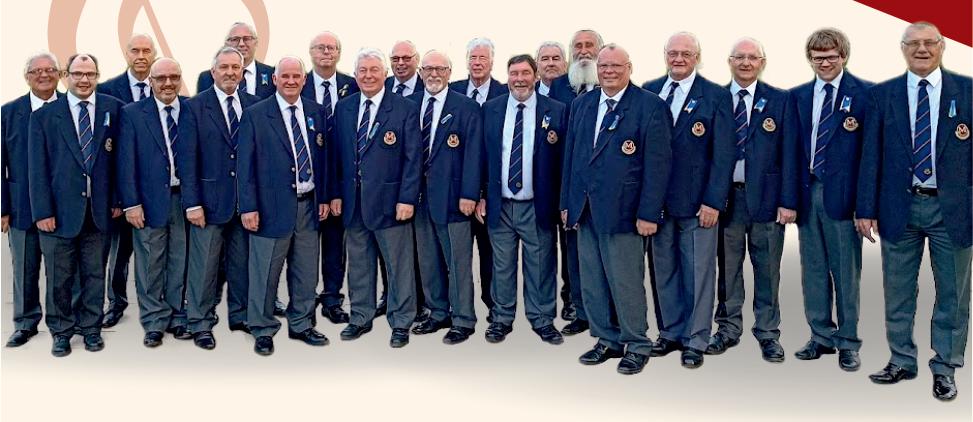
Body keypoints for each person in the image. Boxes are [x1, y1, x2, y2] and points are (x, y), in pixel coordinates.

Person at [857, 21, 971, 401]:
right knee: (898, 290)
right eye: (913, 44)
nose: (921, 49)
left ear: (942, 47)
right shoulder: (882, 95)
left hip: (952, 209)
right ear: (902, 49)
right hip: (898, 208)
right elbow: (870, 156)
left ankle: (946, 367)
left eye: (929, 43)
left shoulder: (968, 91)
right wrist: (865, 208)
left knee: (953, 293)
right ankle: (902, 359)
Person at [561, 44, 671, 375]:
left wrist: (649, 213)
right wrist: (567, 203)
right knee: (592, 283)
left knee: (625, 283)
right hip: (585, 211)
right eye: (604, 66)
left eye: (616, 66)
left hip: (625, 213)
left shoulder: (650, 106)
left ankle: (636, 343)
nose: (609, 71)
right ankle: (606, 340)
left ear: (630, 68)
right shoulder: (582, 105)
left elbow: (658, 166)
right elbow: (572, 158)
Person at [642, 32, 736, 369]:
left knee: (698, 274)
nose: (678, 59)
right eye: (673, 53)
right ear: (664, 55)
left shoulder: (715, 95)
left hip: (698, 204)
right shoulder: (649, 90)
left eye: (686, 53)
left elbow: (724, 154)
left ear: (697, 57)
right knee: (663, 270)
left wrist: (714, 201)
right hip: (657, 203)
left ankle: (696, 339)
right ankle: (670, 332)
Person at [786, 28, 871, 372]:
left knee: (845, 272)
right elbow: (790, 152)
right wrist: (789, 198)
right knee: (814, 269)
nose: (824, 63)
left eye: (831, 57)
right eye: (817, 57)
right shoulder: (797, 97)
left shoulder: (866, 94)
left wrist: (865, 206)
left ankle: (848, 341)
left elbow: (870, 158)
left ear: (844, 56)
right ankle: (820, 335)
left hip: (845, 199)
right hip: (808, 193)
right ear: (810, 59)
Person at [28, 54, 124, 357]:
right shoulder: (44, 116)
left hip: (99, 212)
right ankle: (61, 332)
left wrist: (118, 200)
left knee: (95, 274)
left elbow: (120, 161)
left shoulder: (113, 109)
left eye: (90, 74)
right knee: (59, 278)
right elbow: (37, 169)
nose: (84, 80)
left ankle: (91, 329)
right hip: (58, 214)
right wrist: (43, 211)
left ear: (97, 76)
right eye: (78, 74)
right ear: (66, 76)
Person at [708, 37, 795, 363]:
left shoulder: (780, 100)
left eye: (752, 57)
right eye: (739, 57)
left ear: (762, 62)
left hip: (768, 202)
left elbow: (790, 155)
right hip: (727, 200)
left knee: (767, 269)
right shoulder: (715, 98)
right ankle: (728, 328)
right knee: (728, 269)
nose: (746, 63)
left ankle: (768, 333)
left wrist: (788, 201)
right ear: (729, 62)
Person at [237, 56, 331, 356]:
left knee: (306, 272)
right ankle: (262, 327)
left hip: (308, 207)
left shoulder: (316, 111)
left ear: (304, 80)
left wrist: (324, 197)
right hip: (269, 208)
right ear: (275, 80)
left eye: (296, 76)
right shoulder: (256, 114)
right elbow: (245, 166)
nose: (291, 81)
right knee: (265, 273)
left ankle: (302, 323)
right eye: (285, 76)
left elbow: (323, 159)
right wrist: (248, 207)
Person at [332, 48, 421, 348]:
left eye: (374, 70)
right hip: (354, 203)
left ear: (385, 74)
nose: (368, 76)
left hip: (391, 204)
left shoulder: (405, 108)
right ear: (355, 74)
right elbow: (336, 156)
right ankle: (360, 317)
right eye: (363, 71)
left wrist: (407, 199)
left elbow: (413, 159)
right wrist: (335, 194)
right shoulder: (344, 108)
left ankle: (401, 321)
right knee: (359, 265)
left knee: (398, 267)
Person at [479, 54, 564, 345]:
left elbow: (563, 162)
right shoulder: (491, 109)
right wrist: (480, 195)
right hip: (500, 204)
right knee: (501, 266)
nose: (519, 79)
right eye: (514, 73)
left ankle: (542, 320)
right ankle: (501, 319)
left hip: (537, 204)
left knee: (540, 265)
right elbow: (482, 157)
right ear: (507, 77)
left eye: (525, 73)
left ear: (535, 76)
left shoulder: (556, 110)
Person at [179, 47, 260, 349]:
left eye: (235, 68)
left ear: (242, 72)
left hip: (245, 203)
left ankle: (240, 315)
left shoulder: (254, 105)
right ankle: (199, 321)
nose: (229, 72)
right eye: (223, 67)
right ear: (213, 72)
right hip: (208, 204)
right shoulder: (194, 107)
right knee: (204, 267)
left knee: (242, 264)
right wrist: (192, 203)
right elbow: (187, 160)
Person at [407, 50, 482, 344]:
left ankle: (463, 319)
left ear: (450, 72)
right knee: (428, 260)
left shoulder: (466, 107)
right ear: (420, 72)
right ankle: (438, 312)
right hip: (418, 198)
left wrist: (470, 194)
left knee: (458, 263)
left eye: (440, 68)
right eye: (428, 69)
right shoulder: (410, 104)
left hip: (453, 199)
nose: (434, 74)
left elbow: (474, 155)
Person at [117, 57, 193, 347]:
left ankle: (176, 315)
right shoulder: (133, 114)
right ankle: (153, 321)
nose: (168, 83)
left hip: (184, 200)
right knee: (150, 262)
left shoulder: (192, 109)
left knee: (179, 260)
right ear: (150, 82)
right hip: (148, 202)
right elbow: (126, 163)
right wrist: (131, 203)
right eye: (161, 78)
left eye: (174, 77)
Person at [547, 29, 606, 336]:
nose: (584, 51)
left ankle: (607, 314)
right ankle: (580, 309)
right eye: (578, 46)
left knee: (606, 256)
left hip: (606, 189)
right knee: (574, 253)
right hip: (569, 184)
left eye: (589, 46)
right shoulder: (559, 86)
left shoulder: (611, 82)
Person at [97, 33, 158, 328]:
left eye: (147, 50)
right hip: (121, 190)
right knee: (119, 253)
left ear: (154, 54)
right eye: (136, 50)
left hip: (157, 188)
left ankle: (160, 302)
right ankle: (116, 301)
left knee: (157, 252)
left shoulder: (165, 86)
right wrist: (116, 197)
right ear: (126, 53)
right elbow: (104, 150)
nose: (141, 56)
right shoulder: (107, 91)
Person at [1, 52, 60, 347]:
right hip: (21, 207)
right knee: (24, 269)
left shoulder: (71, 108)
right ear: (26, 77)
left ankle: (63, 324)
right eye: (37, 71)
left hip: (62, 209)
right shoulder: (8, 113)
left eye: (50, 70)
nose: (44, 75)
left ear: (60, 75)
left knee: (61, 271)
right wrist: (3, 208)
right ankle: (25, 323)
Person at [303, 31, 360, 324]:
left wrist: (337, 190)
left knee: (335, 246)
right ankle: (303, 298)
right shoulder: (296, 83)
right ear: (310, 52)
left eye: (331, 48)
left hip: (339, 178)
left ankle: (332, 298)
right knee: (303, 246)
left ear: (338, 53)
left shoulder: (353, 85)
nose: (326, 52)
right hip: (305, 177)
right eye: (320, 47)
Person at [197, 22, 276, 99]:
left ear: (256, 42)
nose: (241, 44)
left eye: (246, 39)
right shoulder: (207, 78)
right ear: (226, 44)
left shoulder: (272, 74)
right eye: (235, 39)